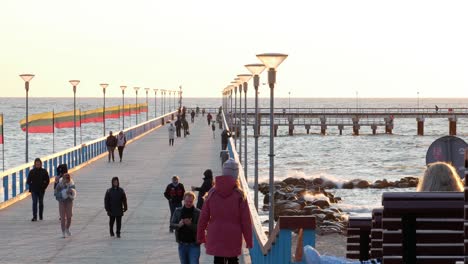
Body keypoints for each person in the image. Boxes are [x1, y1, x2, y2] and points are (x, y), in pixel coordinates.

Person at [197, 159, 253, 264]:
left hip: (215, 234)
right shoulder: (240, 195)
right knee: (233, 260)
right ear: (236, 175)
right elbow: (246, 221)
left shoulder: (212, 192)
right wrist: (249, 241)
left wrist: (201, 236)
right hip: (233, 235)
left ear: (224, 172)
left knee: (218, 260)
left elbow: (203, 217)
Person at [171, 191, 201, 264]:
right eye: (187, 201)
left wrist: (190, 224)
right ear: (184, 199)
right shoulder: (178, 211)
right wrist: (178, 225)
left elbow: (202, 228)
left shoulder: (198, 212)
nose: (188, 203)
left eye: (191, 201)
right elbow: (171, 224)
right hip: (182, 244)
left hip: (194, 244)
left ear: (193, 201)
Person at [54, 173, 76, 238]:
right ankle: (63, 232)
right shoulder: (59, 185)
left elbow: (74, 193)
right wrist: (62, 193)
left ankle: (67, 228)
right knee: (63, 217)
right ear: (63, 179)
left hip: (69, 201)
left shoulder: (71, 184)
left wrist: (71, 192)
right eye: (65, 179)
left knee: (69, 216)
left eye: (67, 179)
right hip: (61, 202)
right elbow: (55, 193)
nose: (66, 181)